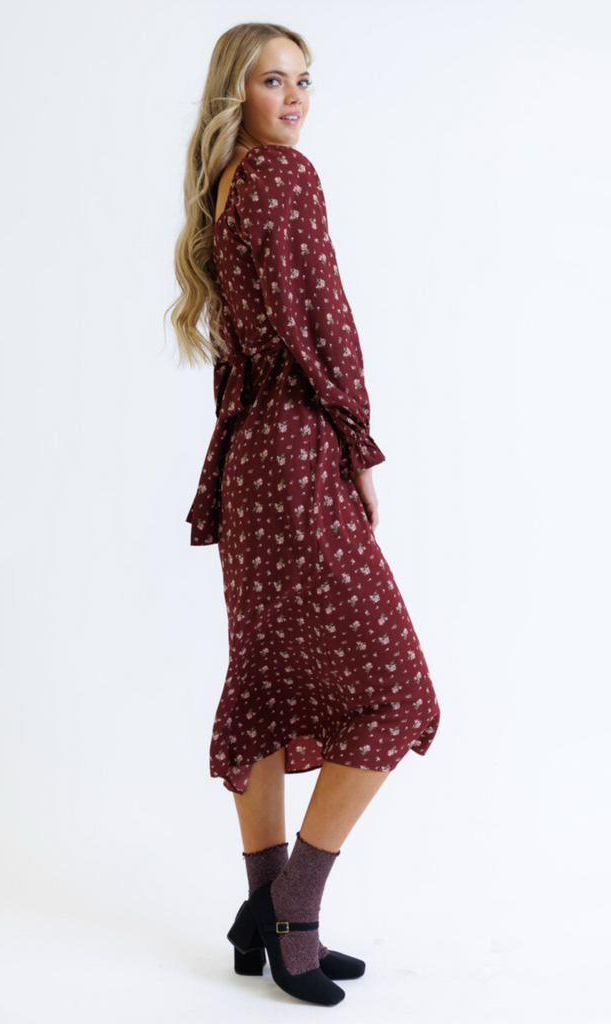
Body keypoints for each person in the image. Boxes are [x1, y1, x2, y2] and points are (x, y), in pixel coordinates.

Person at [167, 23, 441, 1007]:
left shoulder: (227, 182)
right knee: (401, 694)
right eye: (272, 81)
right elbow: (315, 324)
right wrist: (355, 442)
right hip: (293, 453)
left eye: (302, 81)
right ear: (234, 93)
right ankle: (292, 907)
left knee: (271, 687)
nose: (294, 99)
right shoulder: (285, 176)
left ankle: (260, 918)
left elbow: (249, 347)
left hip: (250, 461)